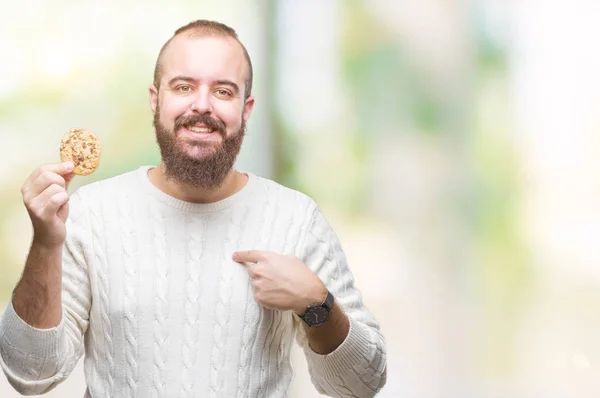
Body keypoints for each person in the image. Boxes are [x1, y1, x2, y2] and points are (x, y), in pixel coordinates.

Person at [0, 20, 387, 397]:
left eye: (223, 91)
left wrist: (317, 303)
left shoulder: (295, 218)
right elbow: (30, 374)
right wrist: (46, 244)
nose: (202, 106)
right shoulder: (92, 213)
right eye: (184, 86)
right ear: (157, 99)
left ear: (246, 108)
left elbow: (362, 384)